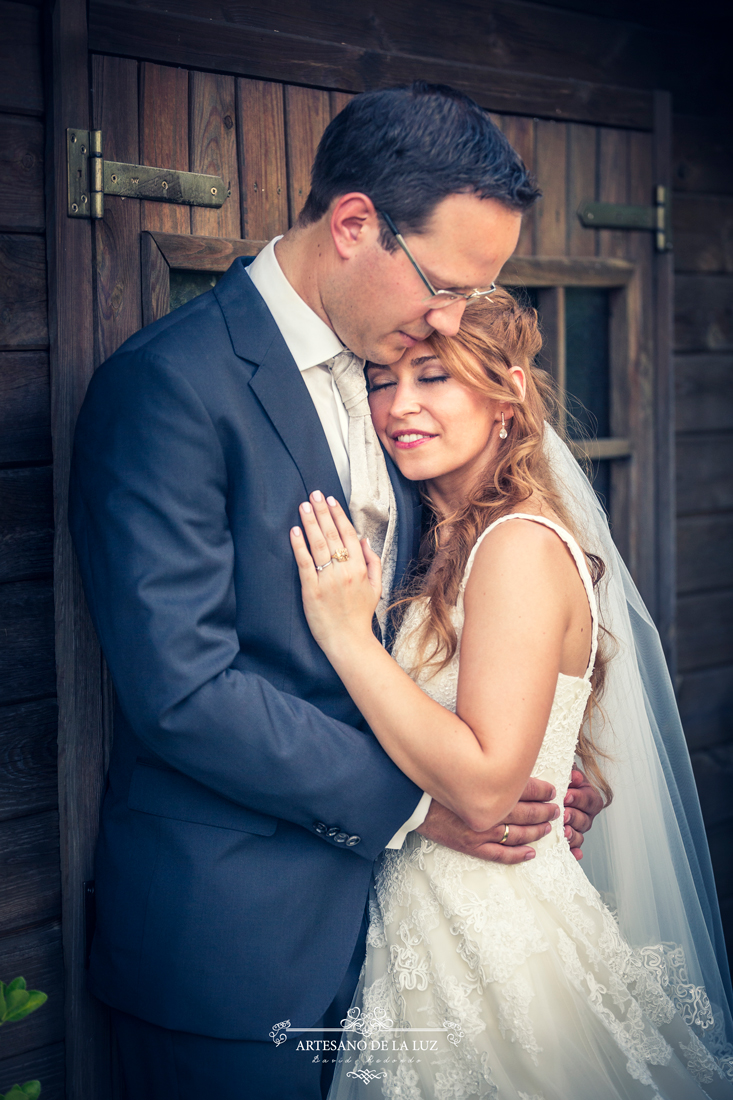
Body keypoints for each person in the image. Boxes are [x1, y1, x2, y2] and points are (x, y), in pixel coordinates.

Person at [68, 84, 604, 1099]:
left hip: (406, 951)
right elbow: (183, 689)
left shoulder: (397, 388)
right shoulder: (168, 388)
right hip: (232, 948)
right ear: (354, 224)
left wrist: (540, 761)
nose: (450, 319)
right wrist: (425, 802)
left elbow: (449, 621)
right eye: (442, 283)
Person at [290, 289, 733, 1099]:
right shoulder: (444, 537)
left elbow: (489, 784)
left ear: (509, 395)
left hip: (491, 934)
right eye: (382, 381)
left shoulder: (516, 545)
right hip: (431, 920)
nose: (399, 407)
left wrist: (349, 639)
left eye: (433, 378)